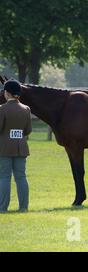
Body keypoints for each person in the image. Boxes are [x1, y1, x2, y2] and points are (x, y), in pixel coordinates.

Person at [0, 80, 32, 213]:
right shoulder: (26, 109)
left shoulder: (2, 109)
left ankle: (2, 208)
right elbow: (28, 130)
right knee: (21, 177)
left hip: (4, 148)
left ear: (7, 93)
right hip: (21, 147)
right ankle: (23, 207)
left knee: (4, 177)